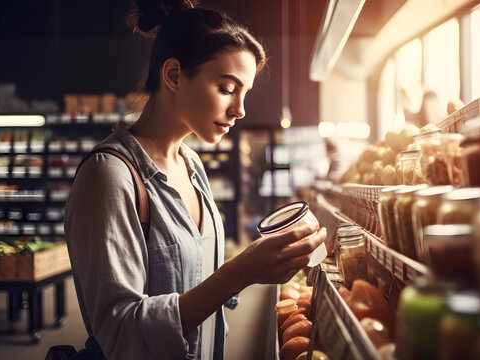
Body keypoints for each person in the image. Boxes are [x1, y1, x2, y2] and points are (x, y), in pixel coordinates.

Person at [63, 1, 327, 359]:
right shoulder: (109, 175)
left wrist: (263, 263)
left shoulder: (191, 164)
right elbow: (120, 332)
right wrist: (239, 271)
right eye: (227, 88)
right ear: (173, 76)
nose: (240, 110)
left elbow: (199, 284)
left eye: (244, 92)